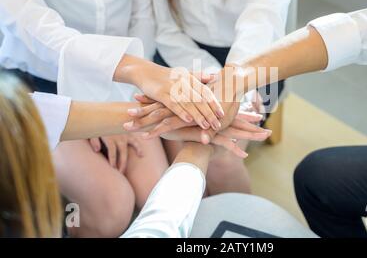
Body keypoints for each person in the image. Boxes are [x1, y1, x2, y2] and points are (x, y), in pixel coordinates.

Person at [140, 0, 367, 237]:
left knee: (219, 166)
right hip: (208, 67)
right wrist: (236, 78)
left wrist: (201, 138)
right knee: (316, 175)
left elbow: (264, 15)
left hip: (235, 65)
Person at [0, 0, 224, 237]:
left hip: (124, 81)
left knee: (154, 188)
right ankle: (68, 222)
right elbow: (44, 37)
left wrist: (119, 92)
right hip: (42, 90)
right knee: (112, 206)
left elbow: (143, 18)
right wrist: (120, 86)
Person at [0, 71, 270, 238]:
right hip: (55, 85)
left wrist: (157, 117)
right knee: (112, 209)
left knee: (151, 188)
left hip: (117, 91)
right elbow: (157, 230)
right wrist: (198, 148)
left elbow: (43, 117)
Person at [148, 0, 294, 195]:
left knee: (221, 159)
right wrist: (212, 82)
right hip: (183, 52)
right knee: (185, 145)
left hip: (255, 58)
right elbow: (165, 28)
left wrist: (234, 85)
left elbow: (263, 20)